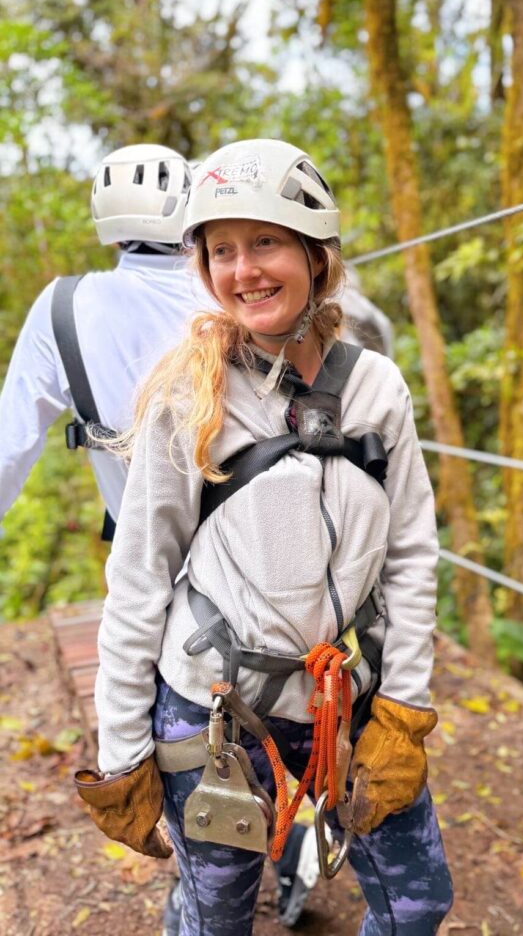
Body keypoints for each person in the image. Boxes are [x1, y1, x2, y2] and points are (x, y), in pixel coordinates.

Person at [74, 139, 453, 936]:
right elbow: (141, 574)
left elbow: (413, 552)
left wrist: (406, 708)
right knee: (217, 917)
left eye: (266, 242)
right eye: (221, 251)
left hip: (337, 698)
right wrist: (121, 753)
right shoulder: (191, 393)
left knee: (419, 901)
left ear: (316, 255)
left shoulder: (376, 389)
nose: (243, 270)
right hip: (214, 707)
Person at [0, 143, 211, 531]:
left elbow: (9, 447)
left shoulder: (62, 305)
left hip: (143, 562)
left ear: (110, 233)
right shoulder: (235, 292)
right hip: (250, 551)